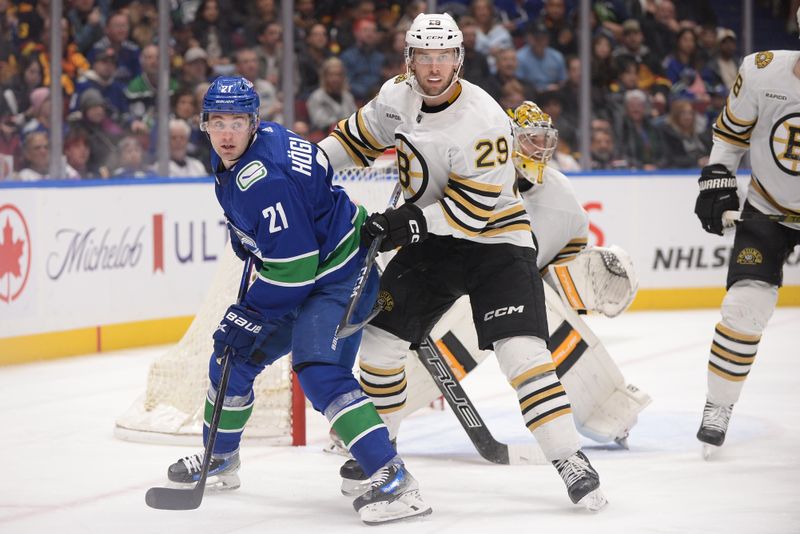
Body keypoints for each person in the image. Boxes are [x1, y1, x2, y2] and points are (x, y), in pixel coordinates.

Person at [318, 13, 606, 511]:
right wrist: (309, 165)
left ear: (459, 59)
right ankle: (378, 454)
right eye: (425, 57)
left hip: (497, 243)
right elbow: (353, 140)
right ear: (409, 59)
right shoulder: (396, 97)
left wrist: (403, 223)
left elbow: (470, 215)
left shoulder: (485, 119)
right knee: (380, 342)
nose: (435, 67)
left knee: (523, 356)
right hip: (433, 243)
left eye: (444, 56)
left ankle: (569, 458)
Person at [161, 76, 430, 525]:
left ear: (253, 123)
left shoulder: (263, 178)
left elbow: (295, 266)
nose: (227, 134)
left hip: (341, 276)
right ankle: (221, 458)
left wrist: (249, 313)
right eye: (218, 122)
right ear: (204, 124)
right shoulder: (252, 147)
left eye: (237, 123)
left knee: (319, 370)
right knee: (233, 353)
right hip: (315, 271)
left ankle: (395, 477)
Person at [692, 22, 800, 458]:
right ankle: (718, 405)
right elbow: (730, 137)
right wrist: (718, 178)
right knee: (743, 308)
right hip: (767, 207)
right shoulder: (761, 70)